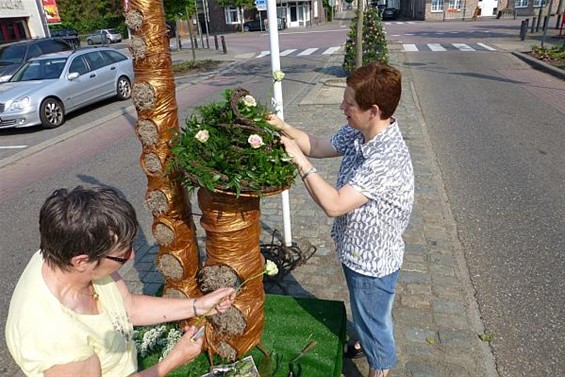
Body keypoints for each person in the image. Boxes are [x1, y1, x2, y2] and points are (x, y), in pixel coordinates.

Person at [268, 62, 414, 377]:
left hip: (372, 263)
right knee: (367, 314)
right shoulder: (360, 131)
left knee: (376, 323)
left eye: (349, 103)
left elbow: (334, 205)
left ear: (373, 111)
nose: (342, 106)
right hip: (355, 251)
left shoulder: (388, 158)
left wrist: (297, 158)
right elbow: (321, 146)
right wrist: (283, 127)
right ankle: (363, 340)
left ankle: (380, 366)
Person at [5, 186, 236, 377]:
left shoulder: (61, 253)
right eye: (122, 254)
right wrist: (174, 359)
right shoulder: (59, 340)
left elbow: (128, 307)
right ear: (81, 262)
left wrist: (199, 305)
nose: (133, 257)